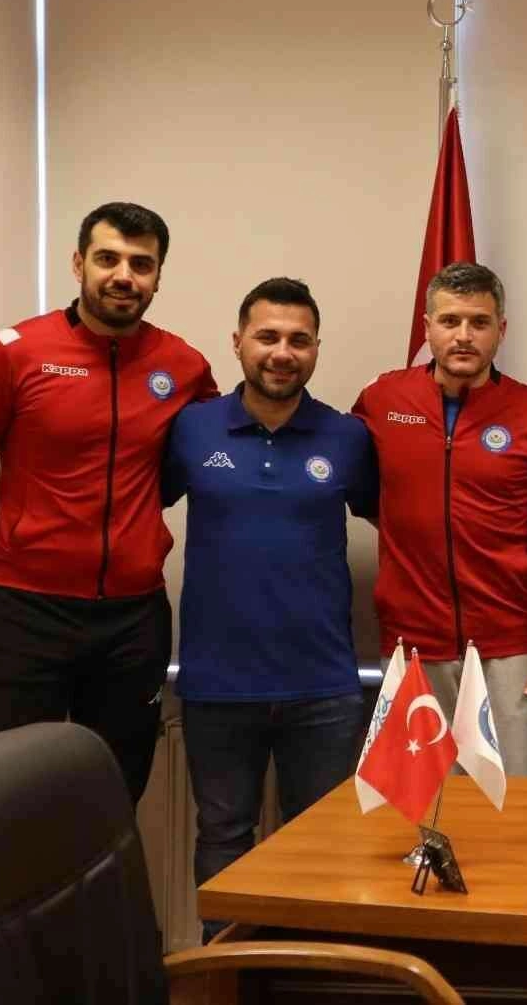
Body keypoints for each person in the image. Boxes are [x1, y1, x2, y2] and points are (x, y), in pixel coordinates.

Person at [0, 202, 217, 801]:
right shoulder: (11, 353)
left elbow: (205, 459)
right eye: (108, 258)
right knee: (3, 796)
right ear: (78, 263)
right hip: (27, 612)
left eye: (141, 264)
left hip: (133, 620)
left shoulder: (184, 367)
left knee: (113, 795)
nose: (124, 276)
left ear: (158, 276)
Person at [162, 278, 374, 939]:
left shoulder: (348, 437)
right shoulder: (191, 429)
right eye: (268, 337)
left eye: (298, 340)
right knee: (224, 835)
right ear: (238, 343)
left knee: (322, 843)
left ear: (316, 349)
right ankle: (226, 974)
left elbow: (404, 522)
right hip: (218, 683)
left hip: (324, 686)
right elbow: (132, 507)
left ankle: (311, 976)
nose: (283, 352)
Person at [353, 263, 527, 777]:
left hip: (513, 646)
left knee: (517, 807)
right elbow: (366, 497)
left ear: (501, 329)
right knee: (423, 810)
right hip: (413, 645)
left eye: (479, 322)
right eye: (450, 321)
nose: (464, 336)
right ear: (427, 327)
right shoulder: (381, 401)